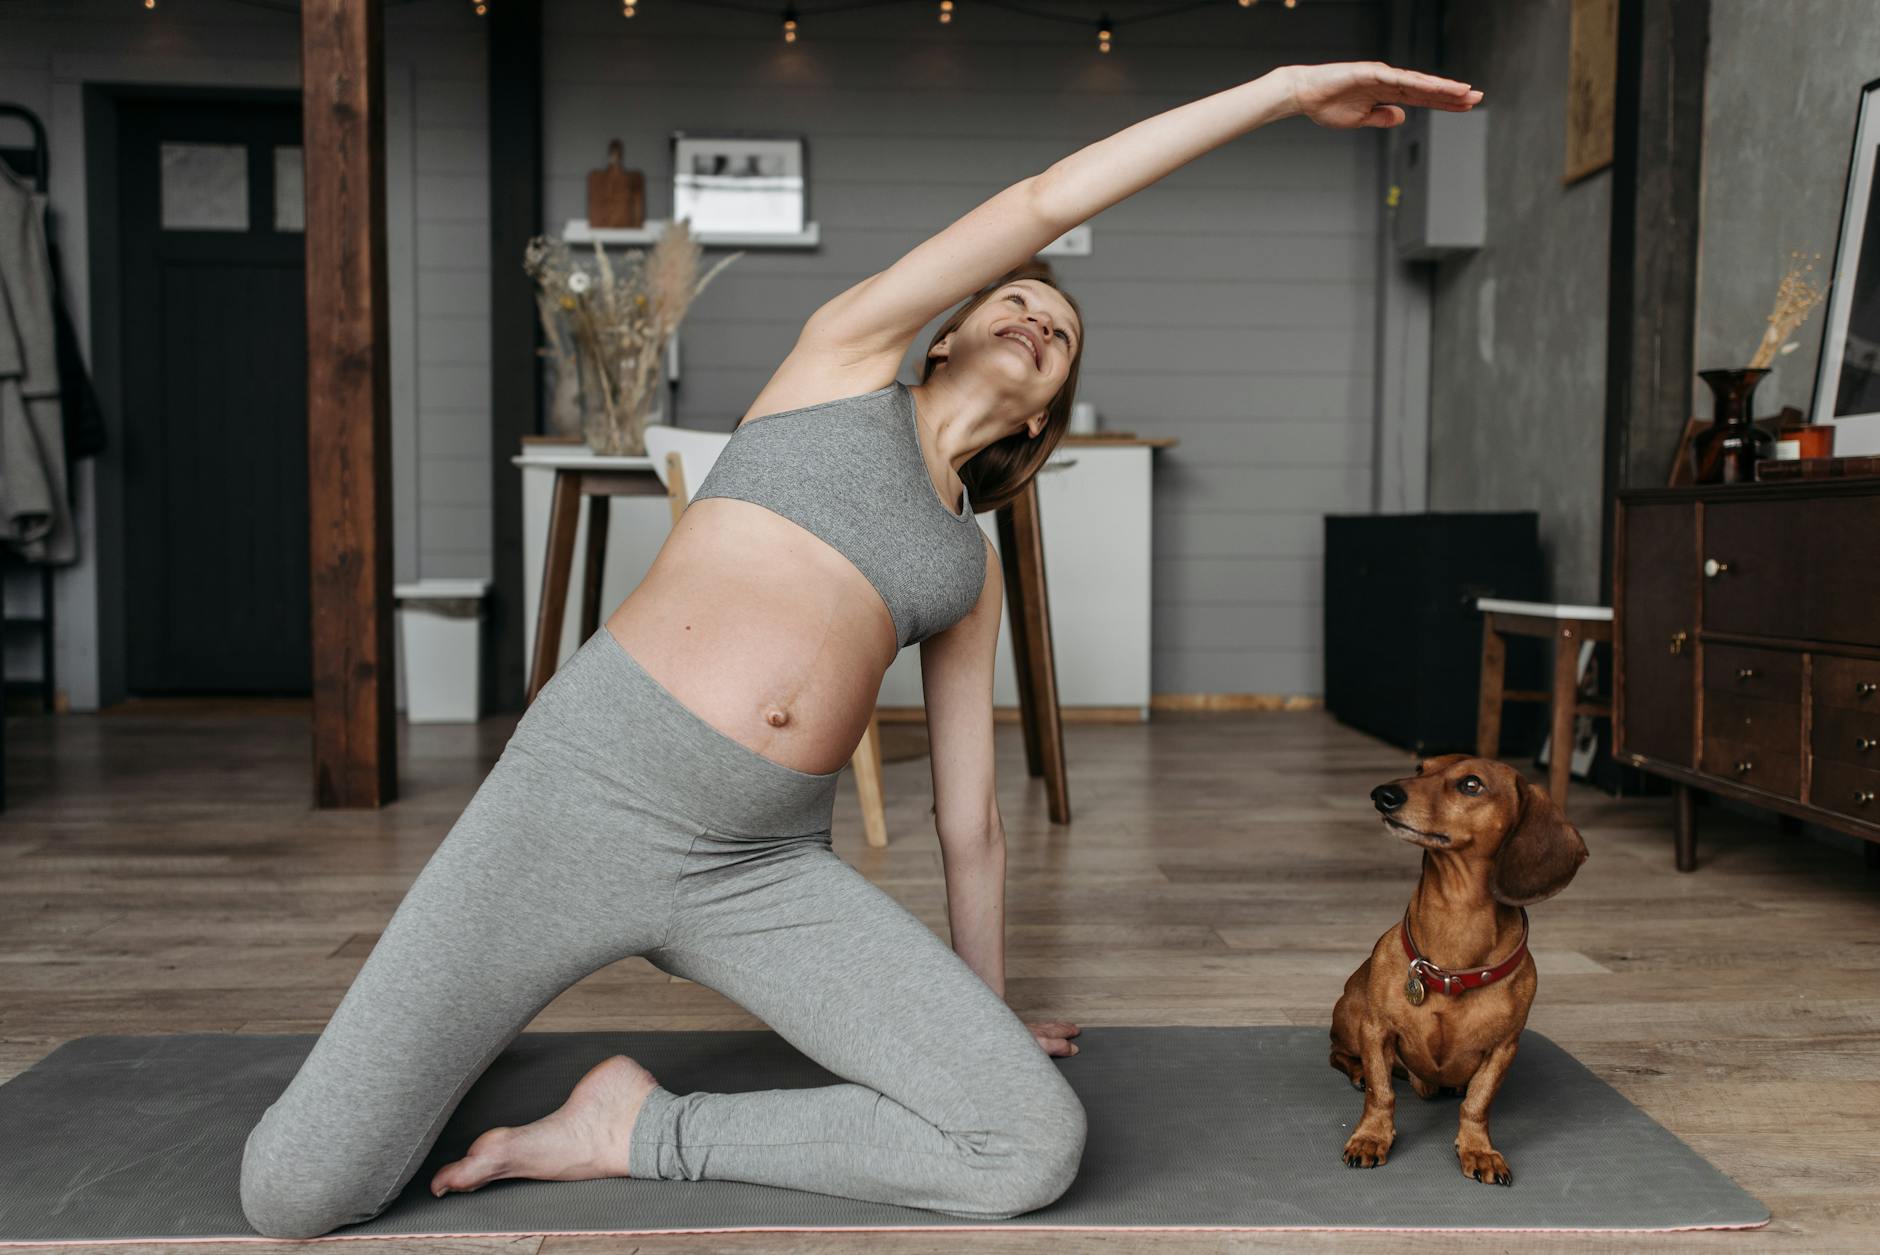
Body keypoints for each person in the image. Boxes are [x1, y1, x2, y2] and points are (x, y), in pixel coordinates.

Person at [238, 60, 1481, 1238]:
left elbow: (969, 819)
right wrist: (1278, 93)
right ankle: (450, 1030)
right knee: (296, 1192)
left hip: (757, 870)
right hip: (577, 803)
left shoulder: (964, 567)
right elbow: (1043, 201)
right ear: (942, 335)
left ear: (1041, 414)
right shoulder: (835, 366)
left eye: (1057, 331)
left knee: (1028, 1143)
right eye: (1013, 300)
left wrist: (980, 1010)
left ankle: (632, 1128)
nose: (1034, 318)